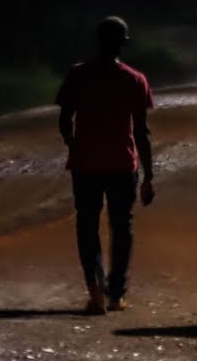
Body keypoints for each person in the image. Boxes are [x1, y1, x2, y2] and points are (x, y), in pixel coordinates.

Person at [56, 16, 155, 315]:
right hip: (122, 165)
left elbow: (64, 121)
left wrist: (74, 144)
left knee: (87, 226)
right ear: (123, 44)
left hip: (85, 164)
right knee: (121, 227)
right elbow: (141, 132)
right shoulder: (135, 79)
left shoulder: (77, 74)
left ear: (98, 41)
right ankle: (116, 294)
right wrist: (150, 175)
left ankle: (95, 290)